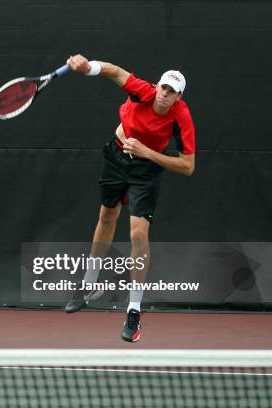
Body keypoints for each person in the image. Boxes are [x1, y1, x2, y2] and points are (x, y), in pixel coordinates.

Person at [63, 54, 196, 343]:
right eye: (163, 87)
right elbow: (115, 71)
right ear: (157, 86)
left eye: (171, 91)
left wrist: (148, 153)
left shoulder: (181, 117)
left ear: (179, 96)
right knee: (107, 216)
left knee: (138, 232)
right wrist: (88, 67)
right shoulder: (143, 91)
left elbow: (188, 165)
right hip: (115, 156)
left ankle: (134, 310)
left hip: (145, 170)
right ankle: (88, 285)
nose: (164, 94)